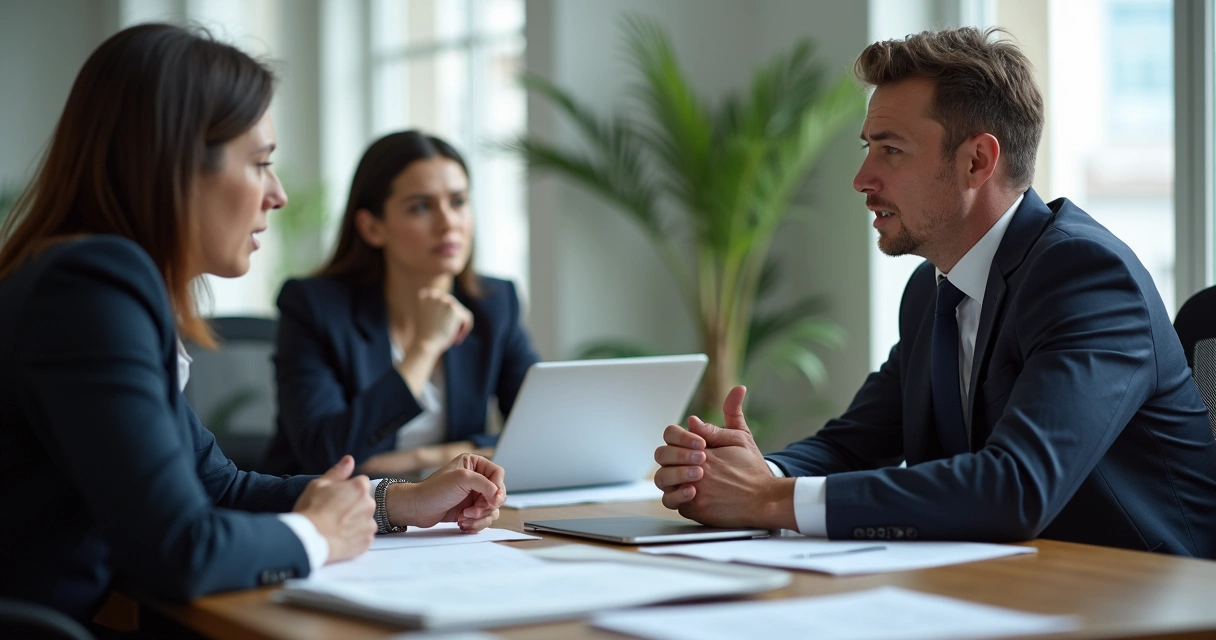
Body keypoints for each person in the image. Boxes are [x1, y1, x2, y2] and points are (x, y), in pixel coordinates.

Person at [0, 24, 506, 625]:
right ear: (177, 166)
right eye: (261, 163)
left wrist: (400, 502)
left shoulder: (95, 279)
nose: (279, 194)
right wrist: (315, 536)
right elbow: (178, 549)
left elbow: (222, 487)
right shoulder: (92, 287)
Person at [654, 27, 1216, 557]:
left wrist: (769, 500)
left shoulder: (1085, 275)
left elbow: (1016, 486)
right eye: (866, 146)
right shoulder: (933, 290)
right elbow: (852, 446)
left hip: (1148, 601)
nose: (862, 178)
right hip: (1007, 587)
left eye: (890, 150)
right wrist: (742, 472)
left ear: (977, 160)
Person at [258, 131, 539, 477]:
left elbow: (540, 432)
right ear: (372, 227)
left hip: (444, 516)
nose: (448, 222)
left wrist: (421, 460)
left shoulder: (495, 304)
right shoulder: (314, 307)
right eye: (421, 207)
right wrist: (424, 347)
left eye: (458, 202)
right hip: (327, 514)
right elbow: (328, 454)